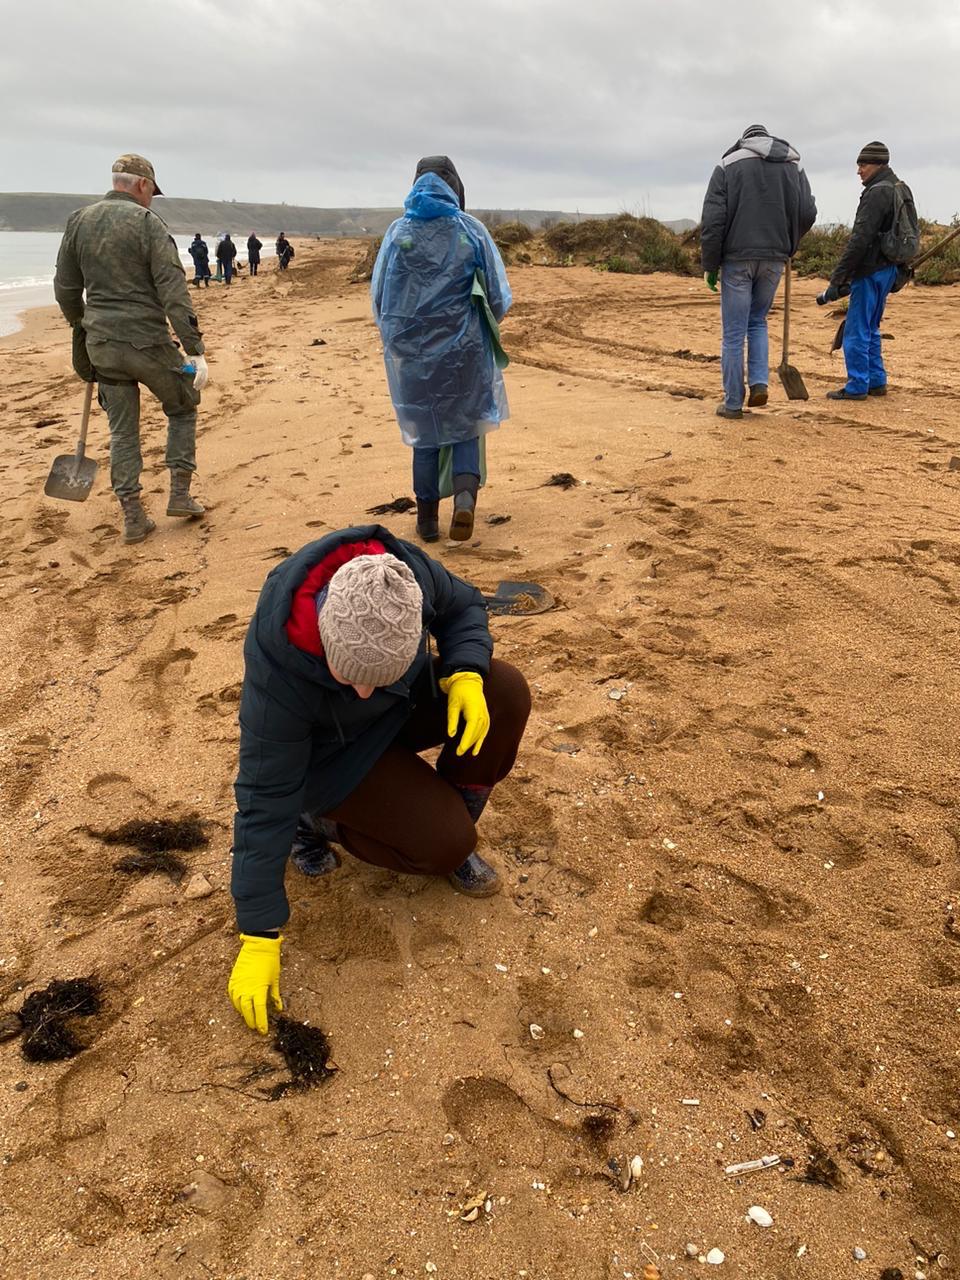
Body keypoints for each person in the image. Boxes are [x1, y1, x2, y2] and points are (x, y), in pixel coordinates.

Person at [227, 528, 531, 1034]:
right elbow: (262, 794)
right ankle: (317, 821)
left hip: (401, 709)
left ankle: (446, 816)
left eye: (377, 676)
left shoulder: (403, 575)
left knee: (506, 691)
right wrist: (258, 932)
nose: (363, 690)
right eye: (350, 677)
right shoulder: (278, 658)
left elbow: (465, 608)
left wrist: (465, 673)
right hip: (333, 755)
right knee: (445, 844)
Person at [53, 154, 208, 544]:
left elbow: (66, 288)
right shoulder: (147, 224)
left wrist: (81, 325)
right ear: (141, 185)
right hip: (147, 342)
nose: (151, 198)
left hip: (102, 345)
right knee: (183, 404)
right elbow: (173, 290)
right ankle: (180, 494)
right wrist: (194, 349)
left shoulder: (79, 221)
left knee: (122, 432)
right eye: (151, 191)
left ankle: (133, 516)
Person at [371, 156, 512, 542]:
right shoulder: (471, 230)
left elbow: (380, 297)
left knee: (424, 432)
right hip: (464, 351)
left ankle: (427, 519)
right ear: (456, 186)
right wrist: (480, 326)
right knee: (467, 425)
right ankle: (464, 501)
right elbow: (499, 295)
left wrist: (397, 340)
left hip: (412, 355)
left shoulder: (398, 234)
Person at [701, 124, 817, 419]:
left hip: (737, 259)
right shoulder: (793, 167)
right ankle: (759, 383)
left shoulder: (728, 165)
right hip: (775, 258)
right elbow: (808, 213)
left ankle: (732, 403)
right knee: (758, 321)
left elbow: (713, 220)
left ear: (745, 140)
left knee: (733, 333)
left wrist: (710, 265)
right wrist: (789, 244)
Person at [816, 142, 913, 400]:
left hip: (870, 270)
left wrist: (838, 279)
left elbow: (860, 239)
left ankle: (858, 385)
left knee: (857, 328)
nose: (859, 170)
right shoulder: (899, 187)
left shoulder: (876, 192)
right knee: (871, 326)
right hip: (890, 269)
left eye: (863, 165)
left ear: (878, 164)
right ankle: (877, 381)